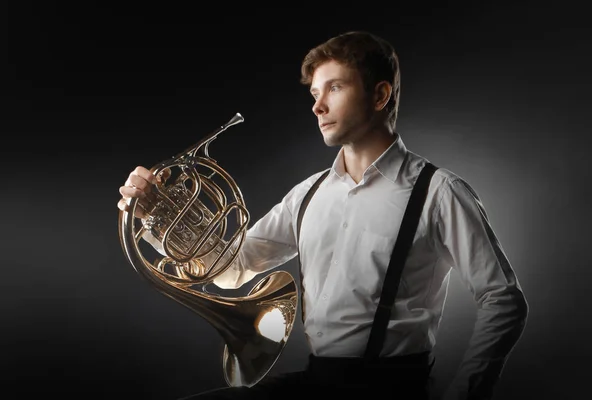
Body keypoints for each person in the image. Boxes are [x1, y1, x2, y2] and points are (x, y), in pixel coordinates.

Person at [117, 31, 529, 399]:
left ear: (380, 95)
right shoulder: (309, 193)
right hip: (320, 380)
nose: (318, 106)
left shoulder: (439, 192)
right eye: (314, 93)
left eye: (335, 88)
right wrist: (155, 218)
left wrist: (465, 394)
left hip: (396, 387)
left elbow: (503, 300)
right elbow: (231, 269)